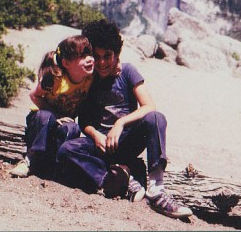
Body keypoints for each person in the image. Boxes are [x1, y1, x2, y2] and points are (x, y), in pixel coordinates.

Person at [57, 20, 193, 219]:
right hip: (100, 146)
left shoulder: (127, 72)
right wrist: (95, 135)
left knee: (156, 118)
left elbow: (149, 106)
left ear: (117, 53)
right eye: (97, 56)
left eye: (108, 56)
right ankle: (118, 178)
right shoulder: (88, 78)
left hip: (126, 141)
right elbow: (83, 120)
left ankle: (156, 187)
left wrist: (120, 124)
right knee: (67, 149)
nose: (102, 63)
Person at [10, 35, 95, 179]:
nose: (89, 59)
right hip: (42, 120)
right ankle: (30, 160)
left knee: (73, 128)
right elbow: (34, 95)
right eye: (82, 56)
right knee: (45, 116)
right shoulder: (56, 78)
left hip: (63, 122)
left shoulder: (89, 78)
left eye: (89, 54)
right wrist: (55, 115)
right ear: (66, 63)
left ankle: (56, 167)